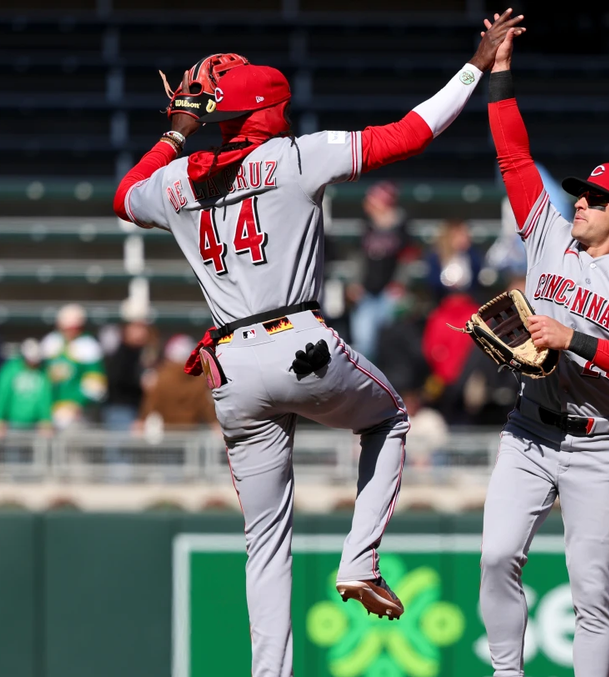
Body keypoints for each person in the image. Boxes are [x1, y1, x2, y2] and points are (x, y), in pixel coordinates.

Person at [111, 15, 523, 677]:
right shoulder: (296, 156)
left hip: (231, 364)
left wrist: (178, 131)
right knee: (389, 417)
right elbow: (413, 131)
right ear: (271, 109)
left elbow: (123, 197)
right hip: (297, 338)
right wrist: (475, 66)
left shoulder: (180, 180)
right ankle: (360, 559)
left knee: (264, 538)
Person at [477, 25, 609, 677]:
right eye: (582, 192)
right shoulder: (548, 236)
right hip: (530, 427)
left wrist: (576, 339)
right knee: (496, 555)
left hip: (597, 444)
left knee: (593, 595)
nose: (582, 200)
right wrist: (500, 74)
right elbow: (513, 157)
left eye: (597, 198)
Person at [349, 181, 410, 361]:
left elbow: (407, 256)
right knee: (364, 340)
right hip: (366, 289)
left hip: (390, 289)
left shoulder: (401, 224)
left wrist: (400, 283)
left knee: (387, 340)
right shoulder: (365, 224)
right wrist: (355, 282)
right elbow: (357, 255)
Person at [42, 304, 107, 429]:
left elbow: (96, 385)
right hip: (48, 412)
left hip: (77, 415)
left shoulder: (89, 347)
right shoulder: (50, 343)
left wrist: (78, 404)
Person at [138, 334, 217, 429]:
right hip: (191, 432)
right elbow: (206, 407)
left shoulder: (160, 377)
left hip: (167, 433)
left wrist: (142, 420)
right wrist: (214, 422)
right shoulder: (198, 380)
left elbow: (150, 404)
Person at [0, 338, 54, 436]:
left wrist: (46, 419)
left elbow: (45, 397)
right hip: (11, 424)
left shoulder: (42, 372)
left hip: (34, 426)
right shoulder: (10, 370)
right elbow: (2, 395)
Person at [425, 219, 485, 302]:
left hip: (468, 300)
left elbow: (476, 279)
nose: (463, 239)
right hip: (443, 301)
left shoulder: (472, 256)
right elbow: (433, 282)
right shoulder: (435, 257)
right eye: (460, 236)